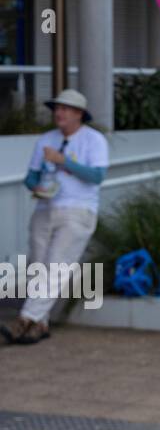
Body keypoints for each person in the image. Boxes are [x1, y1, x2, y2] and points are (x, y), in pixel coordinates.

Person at [1, 89, 109, 346]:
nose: (58, 113)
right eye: (57, 108)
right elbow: (31, 176)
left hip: (78, 210)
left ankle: (25, 319)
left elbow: (97, 176)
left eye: (65, 109)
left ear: (79, 114)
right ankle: (40, 324)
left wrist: (64, 161)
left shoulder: (94, 140)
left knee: (57, 267)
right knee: (39, 266)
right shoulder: (45, 139)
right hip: (45, 208)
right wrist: (34, 186)